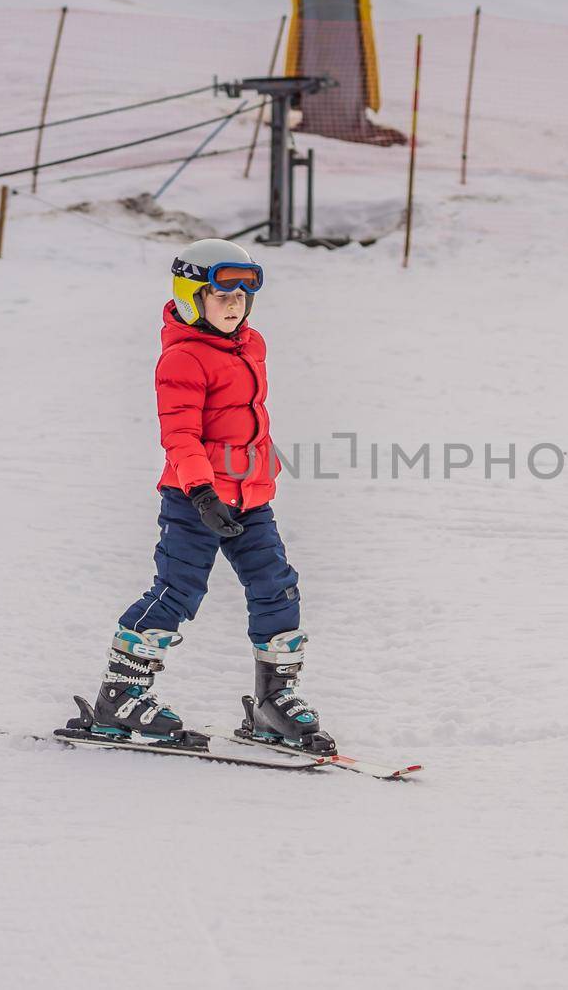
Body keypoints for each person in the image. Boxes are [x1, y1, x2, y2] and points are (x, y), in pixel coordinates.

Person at [88, 238, 334, 754]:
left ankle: (275, 702)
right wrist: (202, 490)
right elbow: (180, 434)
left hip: (251, 499)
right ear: (190, 297)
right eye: (223, 295)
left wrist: (259, 475)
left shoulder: (252, 345)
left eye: (243, 296)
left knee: (277, 587)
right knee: (177, 591)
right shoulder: (182, 359)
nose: (235, 305)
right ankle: (121, 694)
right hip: (193, 498)